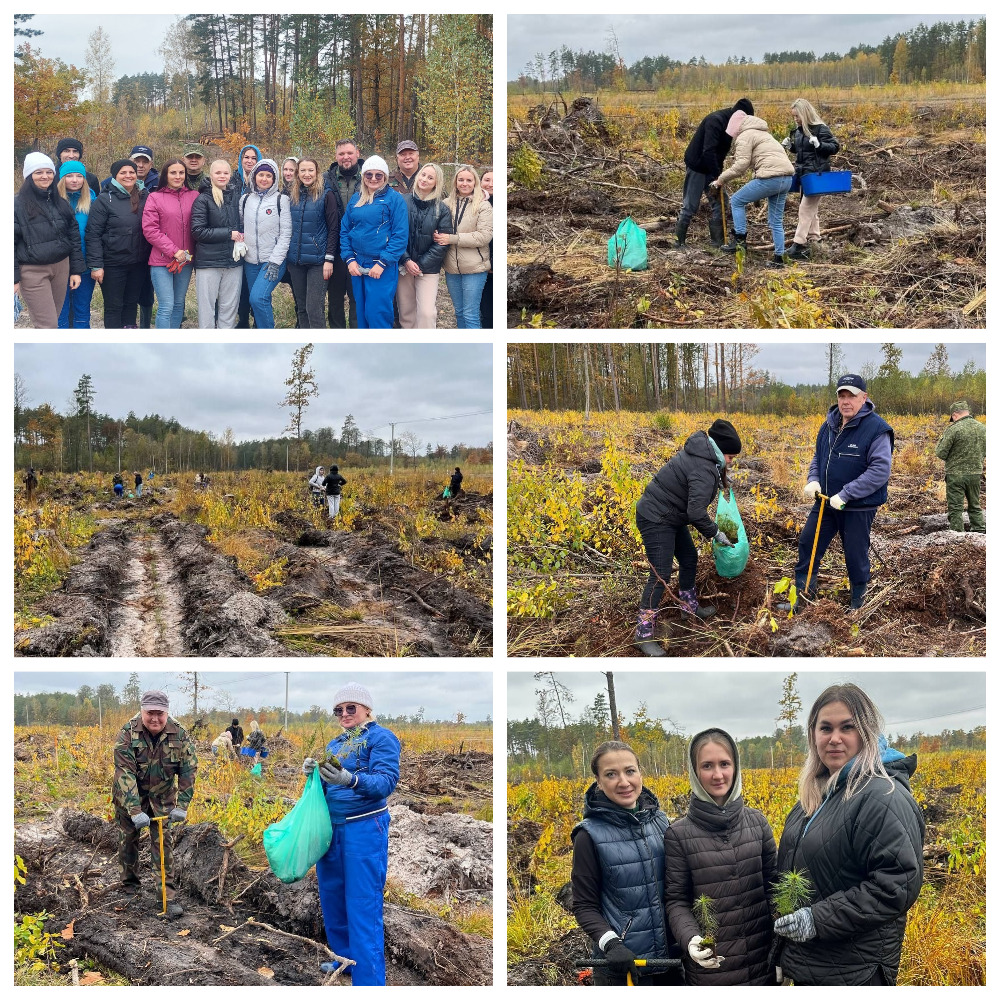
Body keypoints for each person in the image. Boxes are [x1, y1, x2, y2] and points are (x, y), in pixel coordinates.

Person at [773, 684, 924, 986]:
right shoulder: (814, 798)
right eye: (825, 728)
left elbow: (896, 884)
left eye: (847, 727)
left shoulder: (883, 796)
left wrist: (817, 920)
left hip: (856, 972)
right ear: (813, 735)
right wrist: (782, 953)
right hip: (810, 965)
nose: (834, 738)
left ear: (866, 731)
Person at [302, 683, 401, 985]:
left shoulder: (382, 738)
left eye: (350, 708)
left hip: (364, 829)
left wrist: (352, 780)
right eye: (338, 710)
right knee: (333, 897)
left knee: (362, 902)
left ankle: (369, 980)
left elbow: (385, 782)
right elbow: (328, 788)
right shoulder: (335, 744)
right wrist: (313, 776)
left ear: (367, 709)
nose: (343, 714)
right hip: (332, 829)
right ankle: (343, 960)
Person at [664, 728, 777, 985]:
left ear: (735, 767)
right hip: (712, 969)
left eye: (725, 764)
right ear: (694, 772)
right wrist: (691, 939)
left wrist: (782, 953)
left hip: (764, 966)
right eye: (707, 766)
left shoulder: (757, 823)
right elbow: (676, 900)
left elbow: (774, 890)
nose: (718, 775)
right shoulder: (679, 834)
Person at [777, 374, 893, 614]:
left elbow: (880, 470)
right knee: (808, 543)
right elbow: (819, 457)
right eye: (842, 395)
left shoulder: (877, 429)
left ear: (864, 398)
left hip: (857, 507)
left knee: (855, 554)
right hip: (826, 502)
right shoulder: (829, 425)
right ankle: (803, 597)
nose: (846, 401)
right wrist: (813, 479)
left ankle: (857, 604)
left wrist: (847, 493)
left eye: (852, 395)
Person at [570, 740, 682, 986]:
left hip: (672, 961)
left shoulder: (661, 822)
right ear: (598, 781)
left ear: (640, 772)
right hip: (624, 967)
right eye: (611, 774)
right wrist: (611, 944)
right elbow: (584, 905)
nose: (624, 782)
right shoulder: (588, 836)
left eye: (630, 771)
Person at [633, 418, 741, 656]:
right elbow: (695, 512)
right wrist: (715, 533)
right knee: (660, 574)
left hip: (671, 515)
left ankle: (689, 607)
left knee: (689, 558)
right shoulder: (703, 467)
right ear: (720, 450)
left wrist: (722, 477)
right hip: (655, 517)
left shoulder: (705, 454)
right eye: (730, 457)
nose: (730, 462)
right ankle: (643, 633)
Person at [112, 690, 198, 918]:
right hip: (130, 797)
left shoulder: (179, 734)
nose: (155, 719)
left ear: (167, 713)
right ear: (142, 711)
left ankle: (166, 897)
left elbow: (188, 770)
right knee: (128, 840)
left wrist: (182, 805)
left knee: (163, 844)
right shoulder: (127, 733)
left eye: (160, 714)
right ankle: (130, 887)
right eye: (150, 713)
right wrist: (134, 809)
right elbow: (125, 774)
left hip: (162, 799)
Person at [711, 111, 795, 268]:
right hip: (786, 179)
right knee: (776, 221)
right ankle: (779, 259)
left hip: (771, 179)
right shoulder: (765, 135)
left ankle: (740, 241)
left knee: (736, 200)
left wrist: (720, 180)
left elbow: (741, 165)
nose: (734, 137)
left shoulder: (745, 136)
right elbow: (764, 163)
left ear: (736, 128)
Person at [14, 152, 85, 328]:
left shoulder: (60, 202)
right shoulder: (16, 205)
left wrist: (75, 270)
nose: (45, 176)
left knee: (54, 318)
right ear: (29, 176)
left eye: (49, 172)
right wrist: (13, 278)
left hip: (61, 268)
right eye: (38, 172)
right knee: (47, 325)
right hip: (33, 271)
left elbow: (73, 237)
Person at [674, 98, 754, 248]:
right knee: (690, 205)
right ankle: (679, 242)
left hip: (712, 168)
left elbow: (720, 153)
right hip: (698, 167)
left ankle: (717, 243)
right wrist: (718, 175)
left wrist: (719, 175)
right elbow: (708, 151)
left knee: (720, 203)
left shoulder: (730, 126)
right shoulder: (715, 121)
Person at [339, 155, 408, 329]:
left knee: (377, 313)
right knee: (360, 313)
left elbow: (400, 236)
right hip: (357, 264)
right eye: (369, 175)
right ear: (363, 177)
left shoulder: (395, 199)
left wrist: (383, 263)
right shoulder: (356, 199)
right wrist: (349, 259)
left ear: (385, 177)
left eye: (379, 175)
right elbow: (345, 230)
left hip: (380, 266)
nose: (374, 179)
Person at [86, 158, 150, 329]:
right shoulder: (105, 199)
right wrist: (96, 265)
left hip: (138, 262)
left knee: (131, 304)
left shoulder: (145, 196)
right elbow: (93, 234)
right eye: (123, 173)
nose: (128, 176)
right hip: (113, 264)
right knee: (114, 306)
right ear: (115, 176)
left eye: (132, 172)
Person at [143, 158, 198, 328]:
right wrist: (174, 251)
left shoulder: (194, 196)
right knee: (166, 305)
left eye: (181, 172)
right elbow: (150, 229)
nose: (178, 176)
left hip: (185, 261)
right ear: (165, 175)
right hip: (161, 261)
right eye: (173, 172)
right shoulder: (155, 197)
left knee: (178, 304)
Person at [396, 163, 453, 328]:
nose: (425, 180)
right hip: (403, 266)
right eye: (423, 175)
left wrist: (420, 265)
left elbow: (442, 243)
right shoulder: (401, 201)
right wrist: (406, 260)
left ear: (436, 183)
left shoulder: (441, 209)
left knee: (427, 313)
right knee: (407, 313)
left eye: (430, 178)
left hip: (428, 269)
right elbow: (394, 234)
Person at [784, 99, 840, 260]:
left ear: (805, 113)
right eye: (794, 116)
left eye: (797, 116)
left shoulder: (821, 128)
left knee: (805, 208)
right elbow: (804, 153)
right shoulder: (800, 130)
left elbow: (834, 147)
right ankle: (816, 239)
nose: (795, 119)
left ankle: (798, 244)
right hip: (804, 175)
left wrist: (819, 144)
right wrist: (792, 147)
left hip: (817, 175)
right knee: (811, 210)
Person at [191, 159, 245, 328]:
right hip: (209, 263)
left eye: (226, 173)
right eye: (218, 173)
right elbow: (198, 231)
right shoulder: (203, 199)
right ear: (211, 175)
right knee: (207, 310)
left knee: (229, 309)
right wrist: (229, 234)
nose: (222, 176)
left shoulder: (238, 198)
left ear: (230, 175)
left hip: (233, 262)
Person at [287, 157, 340, 328]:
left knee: (314, 308)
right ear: (298, 173)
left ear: (317, 172)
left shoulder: (326, 194)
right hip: (295, 261)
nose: (307, 174)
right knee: (302, 308)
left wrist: (329, 259)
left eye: (311, 170)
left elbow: (334, 228)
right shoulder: (292, 194)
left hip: (318, 261)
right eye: (303, 170)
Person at [438, 164, 493, 328]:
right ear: (455, 182)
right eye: (461, 180)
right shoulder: (446, 204)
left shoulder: (483, 206)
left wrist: (452, 239)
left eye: (469, 180)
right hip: (451, 268)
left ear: (475, 182)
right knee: (459, 312)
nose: (464, 183)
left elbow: (483, 236)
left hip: (474, 267)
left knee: (470, 314)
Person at [238, 159, 291, 328]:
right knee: (259, 301)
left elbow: (286, 233)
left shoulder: (281, 200)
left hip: (272, 261)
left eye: (269, 175)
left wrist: (276, 261)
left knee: (258, 297)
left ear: (274, 179)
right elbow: (242, 226)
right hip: (250, 260)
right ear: (254, 176)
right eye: (261, 174)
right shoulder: (245, 199)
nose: (264, 179)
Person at [323, 139, 365, 328]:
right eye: (341, 154)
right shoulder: (325, 179)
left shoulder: (370, 177)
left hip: (361, 249)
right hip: (335, 248)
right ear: (336, 156)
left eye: (349, 153)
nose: (345, 157)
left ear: (357, 153)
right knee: (335, 298)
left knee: (357, 297)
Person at [56, 161, 97, 328]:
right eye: (69, 176)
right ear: (61, 179)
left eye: (79, 176)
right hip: (60, 266)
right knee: (60, 312)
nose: (74, 180)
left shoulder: (93, 202)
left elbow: (96, 235)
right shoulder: (53, 202)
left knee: (82, 311)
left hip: (85, 266)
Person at [935, 400, 986, 533]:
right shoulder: (982, 428)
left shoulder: (953, 429)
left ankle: (957, 536)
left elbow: (941, 453)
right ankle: (980, 532)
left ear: (955, 415)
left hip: (955, 475)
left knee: (956, 508)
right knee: (975, 505)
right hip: (975, 474)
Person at [479, 167, 494, 329]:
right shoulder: (476, 203)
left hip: (492, 266)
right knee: (482, 309)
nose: (490, 184)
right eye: (487, 180)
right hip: (478, 264)